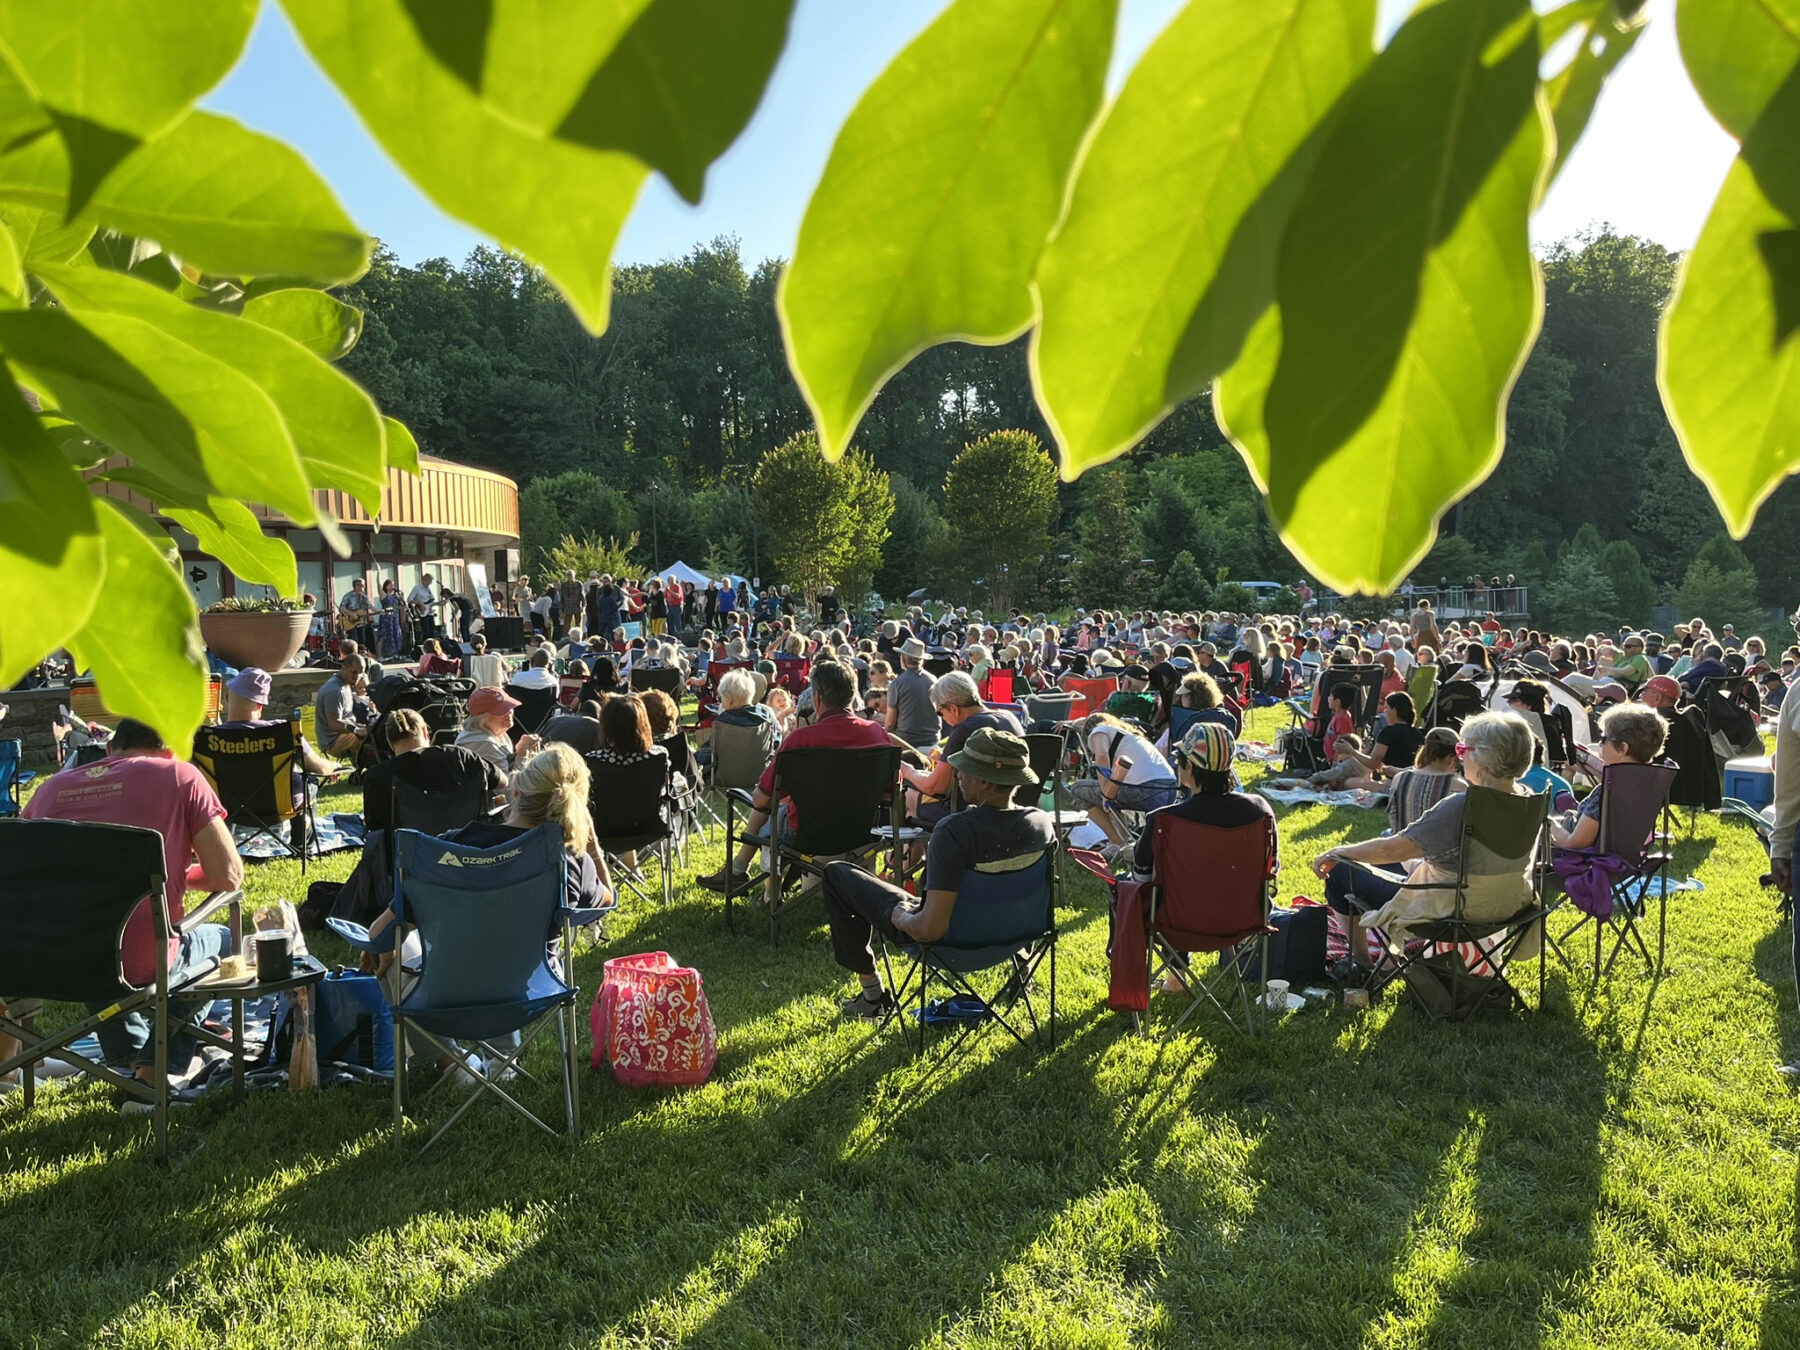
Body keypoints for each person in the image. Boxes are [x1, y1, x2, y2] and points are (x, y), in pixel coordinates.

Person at [22, 718, 242, 1092]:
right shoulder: (179, 776)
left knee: (94, 927)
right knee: (221, 940)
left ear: (109, 751)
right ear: (169, 751)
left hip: (53, 957)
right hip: (137, 958)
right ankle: (155, 1069)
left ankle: (129, 1055)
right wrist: (170, 875)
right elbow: (228, 876)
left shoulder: (48, 790)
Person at [819, 727, 1055, 1018]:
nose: (958, 775)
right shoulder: (1040, 823)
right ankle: (1022, 974)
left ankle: (872, 997)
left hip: (953, 945)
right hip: (1013, 939)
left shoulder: (956, 831)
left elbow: (931, 930)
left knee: (837, 874)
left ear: (982, 781)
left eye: (964, 770)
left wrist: (902, 916)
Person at [1313, 711, 1540, 985]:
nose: (1459, 757)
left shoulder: (1464, 805)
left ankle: (1366, 963)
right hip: (1508, 905)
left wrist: (1339, 851)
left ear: (1482, 759)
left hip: (1449, 910)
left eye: (1462, 749)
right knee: (1396, 864)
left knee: (1339, 872)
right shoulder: (1529, 801)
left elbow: (1391, 850)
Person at [697, 661, 892, 894]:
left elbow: (760, 800)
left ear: (817, 698)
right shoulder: (877, 734)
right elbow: (888, 792)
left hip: (807, 832)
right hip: (862, 829)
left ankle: (740, 870)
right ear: (851, 695)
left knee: (767, 810)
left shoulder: (801, 740)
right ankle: (745, 872)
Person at [1130, 722, 1276, 879]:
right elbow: (1271, 866)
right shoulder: (1259, 810)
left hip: (1180, 903)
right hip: (1245, 903)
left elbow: (1142, 879)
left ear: (1190, 767)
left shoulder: (1162, 820)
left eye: (1179, 760)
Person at [898, 671, 1024, 826]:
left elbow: (935, 787)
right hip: (1012, 802)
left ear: (953, 708)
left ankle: (908, 849)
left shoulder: (965, 728)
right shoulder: (1009, 717)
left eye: (940, 712)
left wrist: (907, 771)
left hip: (966, 810)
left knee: (906, 795)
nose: (942, 718)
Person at [361, 707, 505, 829]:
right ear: (425, 732)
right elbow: (503, 782)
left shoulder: (377, 777)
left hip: (409, 857)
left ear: (390, 743)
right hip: (467, 847)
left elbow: (374, 826)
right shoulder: (461, 757)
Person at [1552, 703, 1668, 850]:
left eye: (1603, 738)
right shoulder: (1649, 786)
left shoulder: (1607, 793)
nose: (1600, 744)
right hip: (1627, 860)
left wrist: (1549, 825)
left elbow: (1574, 843)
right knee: (1566, 805)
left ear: (1623, 749)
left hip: (1588, 862)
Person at [1068, 711, 1179, 853]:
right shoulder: (1129, 736)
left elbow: (1101, 756)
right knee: (1114, 792)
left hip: (1146, 789)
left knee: (1078, 789)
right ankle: (1126, 841)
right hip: (1170, 790)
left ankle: (1120, 844)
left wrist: (1105, 794)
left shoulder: (1098, 730)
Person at [1382, 727, 1464, 832]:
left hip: (1402, 844)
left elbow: (1393, 820)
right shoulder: (1457, 785)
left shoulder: (1399, 778)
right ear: (1451, 757)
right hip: (1439, 847)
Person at [455, 686, 537, 784]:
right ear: (482, 718)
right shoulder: (483, 743)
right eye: (502, 710)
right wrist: (522, 754)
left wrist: (524, 750)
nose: (510, 711)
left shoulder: (496, 731)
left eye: (509, 706)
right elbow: (509, 791)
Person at [1347, 691, 1423, 779]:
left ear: (1394, 710)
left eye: (1386, 707)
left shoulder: (1388, 732)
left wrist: (1352, 751)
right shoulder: (1417, 733)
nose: (1384, 711)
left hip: (1393, 781)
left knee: (1349, 781)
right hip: (1410, 778)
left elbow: (1373, 763)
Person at [884, 637, 939, 749]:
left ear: (903, 657)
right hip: (933, 739)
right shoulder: (933, 679)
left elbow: (889, 724)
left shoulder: (898, 683)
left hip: (907, 741)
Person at [315, 653, 371, 759]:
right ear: (343, 668)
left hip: (346, 733)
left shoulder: (346, 684)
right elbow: (334, 723)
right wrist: (356, 729)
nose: (357, 677)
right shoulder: (335, 691)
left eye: (360, 673)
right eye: (354, 672)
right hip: (332, 742)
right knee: (368, 740)